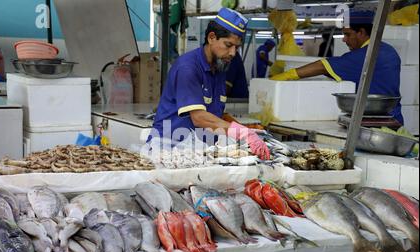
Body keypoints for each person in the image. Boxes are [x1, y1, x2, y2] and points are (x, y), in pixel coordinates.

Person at [148, 8, 269, 160]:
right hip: (167, 152)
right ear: (211, 37)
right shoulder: (188, 68)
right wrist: (242, 133)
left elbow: (216, 114)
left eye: (236, 47)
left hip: (196, 153)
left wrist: (244, 129)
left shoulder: (219, 68)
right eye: (228, 45)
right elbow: (199, 117)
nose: (232, 53)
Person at [270, 10, 404, 124]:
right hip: (393, 118)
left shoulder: (367, 54)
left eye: (347, 34)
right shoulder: (387, 49)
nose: (344, 39)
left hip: (378, 123)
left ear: (362, 32)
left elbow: (323, 66)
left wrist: (287, 75)